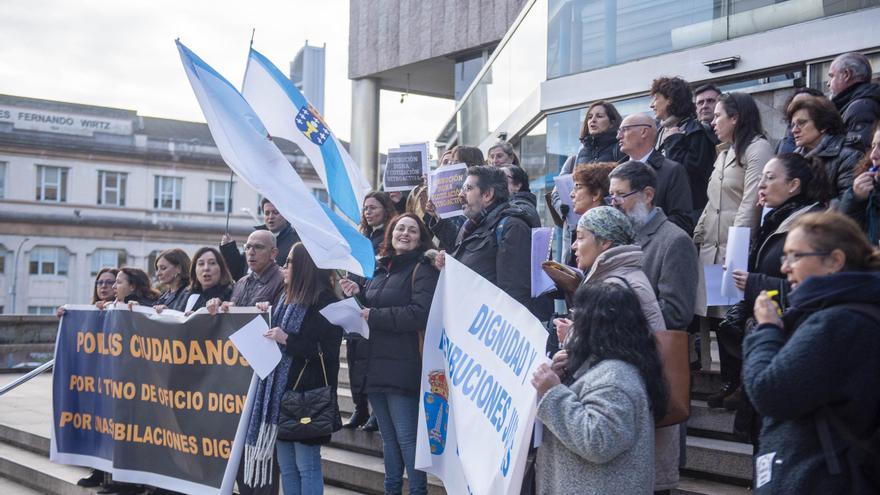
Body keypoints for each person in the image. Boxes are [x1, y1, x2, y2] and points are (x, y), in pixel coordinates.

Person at [743, 211, 880, 494]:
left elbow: (769, 392)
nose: (785, 268)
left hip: (822, 479)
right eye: (785, 257)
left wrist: (767, 329)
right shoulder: (840, 312)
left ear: (834, 261)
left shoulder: (837, 322)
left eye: (795, 256)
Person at [719, 154, 831, 415]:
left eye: (770, 178)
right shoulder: (776, 219)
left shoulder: (810, 225)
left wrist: (754, 282)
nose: (761, 185)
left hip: (791, 339)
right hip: (766, 334)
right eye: (761, 178)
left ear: (794, 185)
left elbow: (813, 289)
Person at [531, 282, 667, 495]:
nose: (572, 323)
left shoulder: (616, 379)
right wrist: (562, 377)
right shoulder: (608, 367)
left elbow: (598, 441)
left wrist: (553, 392)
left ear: (595, 323)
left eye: (577, 316)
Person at [340, 213, 439, 495]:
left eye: (411, 230)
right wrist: (357, 294)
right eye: (399, 229)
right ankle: (391, 490)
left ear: (420, 238)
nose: (404, 233)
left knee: (408, 440)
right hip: (375, 365)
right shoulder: (381, 268)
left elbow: (419, 314)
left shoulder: (424, 268)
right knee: (388, 439)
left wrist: (375, 315)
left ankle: (418, 491)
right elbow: (369, 310)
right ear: (391, 235)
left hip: (404, 366)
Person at [246, 243, 343, 495]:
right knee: (287, 466)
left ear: (304, 266)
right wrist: (265, 318)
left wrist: (287, 339)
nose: (284, 266)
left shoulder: (325, 300)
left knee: (306, 465)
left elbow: (328, 351)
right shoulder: (285, 297)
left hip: (306, 394)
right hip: (281, 393)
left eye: (289, 261)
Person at [694, 92, 773, 399]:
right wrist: (697, 234)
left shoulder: (758, 148)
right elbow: (714, 200)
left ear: (735, 118)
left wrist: (736, 247)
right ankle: (728, 381)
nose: (713, 121)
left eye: (718, 116)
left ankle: (741, 384)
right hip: (713, 245)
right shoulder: (724, 152)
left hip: (737, 247)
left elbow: (751, 201)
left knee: (736, 315)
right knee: (718, 316)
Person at [209, 230, 285, 495]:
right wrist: (222, 305)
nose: (250, 252)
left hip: (264, 377)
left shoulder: (281, 280)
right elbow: (234, 316)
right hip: (237, 375)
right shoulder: (241, 281)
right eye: (248, 247)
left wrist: (270, 312)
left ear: (274, 253)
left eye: (258, 248)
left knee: (260, 455)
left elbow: (283, 320)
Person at [608, 161, 698, 332]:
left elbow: (676, 312)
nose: (614, 203)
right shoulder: (618, 235)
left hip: (650, 351)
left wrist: (617, 316)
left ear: (648, 195)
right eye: (611, 195)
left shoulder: (675, 241)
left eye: (620, 195)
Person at [435, 166, 532, 309]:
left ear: (487, 194)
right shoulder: (472, 226)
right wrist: (450, 263)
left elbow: (514, 294)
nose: (460, 195)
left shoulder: (512, 226)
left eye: (467, 189)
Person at [346, 192, 397, 431]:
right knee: (354, 358)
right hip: (354, 303)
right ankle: (359, 408)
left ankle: (376, 413)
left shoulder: (389, 236)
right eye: (365, 208)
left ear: (385, 209)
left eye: (373, 207)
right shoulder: (361, 237)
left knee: (370, 360)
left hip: (374, 303)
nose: (367, 212)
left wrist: (364, 287)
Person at [72, 267, 118, 489]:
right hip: (96, 382)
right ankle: (97, 471)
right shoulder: (91, 311)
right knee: (97, 428)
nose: (104, 287)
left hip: (117, 382)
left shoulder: (126, 309)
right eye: (100, 283)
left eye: (110, 282)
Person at [651, 76, 717, 223]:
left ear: (670, 100)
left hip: (689, 216)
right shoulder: (660, 131)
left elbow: (688, 173)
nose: (652, 105)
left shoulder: (696, 131)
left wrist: (673, 142)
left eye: (656, 98)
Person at [617, 113, 694, 233]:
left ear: (643, 132)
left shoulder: (672, 170)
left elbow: (682, 220)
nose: (618, 136)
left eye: (624, 130)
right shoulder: (615, 172)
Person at [788, 97, 864, 200]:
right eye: (793, 125)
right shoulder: (796, 156)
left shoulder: (849, 156)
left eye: (801, 123)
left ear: (823, 125)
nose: (794, 130)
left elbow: (848, 202)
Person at [221, 198, 301, 279]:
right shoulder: (256, 237)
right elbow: (238, 272)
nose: (270, 217)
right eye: (267, 213)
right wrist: (228, 248)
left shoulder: (296, 242)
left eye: (275, 212)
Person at [828, 51, 880, 151]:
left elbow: (856, 155)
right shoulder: (855, 103)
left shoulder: (861, 107)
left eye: (832, 76)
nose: (828, 83)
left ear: (847, 74)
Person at [840, 123, 880, 243]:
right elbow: (847, 240)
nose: (873, 155)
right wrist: (855, 200)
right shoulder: (868, 190)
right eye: (873, 146)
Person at [775, 88, 826, 155]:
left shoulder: (841, 152)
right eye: (794, 105)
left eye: (802, 123)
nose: (794, 130)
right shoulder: (784, 146)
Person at [185, 247, 234, 312]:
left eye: (212, 263)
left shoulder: (232, 293)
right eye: (201, 264)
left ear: (221, 269)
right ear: (194, 270)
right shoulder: (188, 295)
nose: (206, 268)